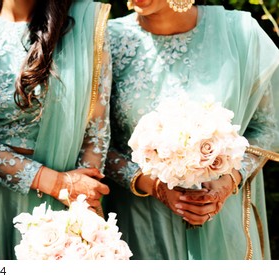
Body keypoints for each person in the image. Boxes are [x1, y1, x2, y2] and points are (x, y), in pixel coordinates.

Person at [105, 0, 279, 259]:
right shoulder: (107, 41)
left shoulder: (241, 33)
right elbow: (92, 143)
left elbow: (268, 128)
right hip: (141, 223)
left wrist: (227, 181)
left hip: (222, 223)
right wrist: (155, 186)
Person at [0, 0, 112, 259]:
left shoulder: (85, 20)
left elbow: (96, 128)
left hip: (68, 202)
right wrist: (49, 181)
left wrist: (84, 216)